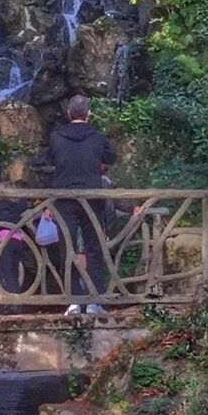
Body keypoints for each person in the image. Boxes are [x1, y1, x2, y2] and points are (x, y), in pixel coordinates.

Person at [40, 93, 117, 313]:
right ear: (89, 115)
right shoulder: (98, 137)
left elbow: (44, 161)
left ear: (68, 114)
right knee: (94, 248)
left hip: (64, 199)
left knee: (68, 248)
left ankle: (74, 300)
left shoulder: (56, 137)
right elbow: (111, 157)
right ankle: (95, 300)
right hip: (91, 198)